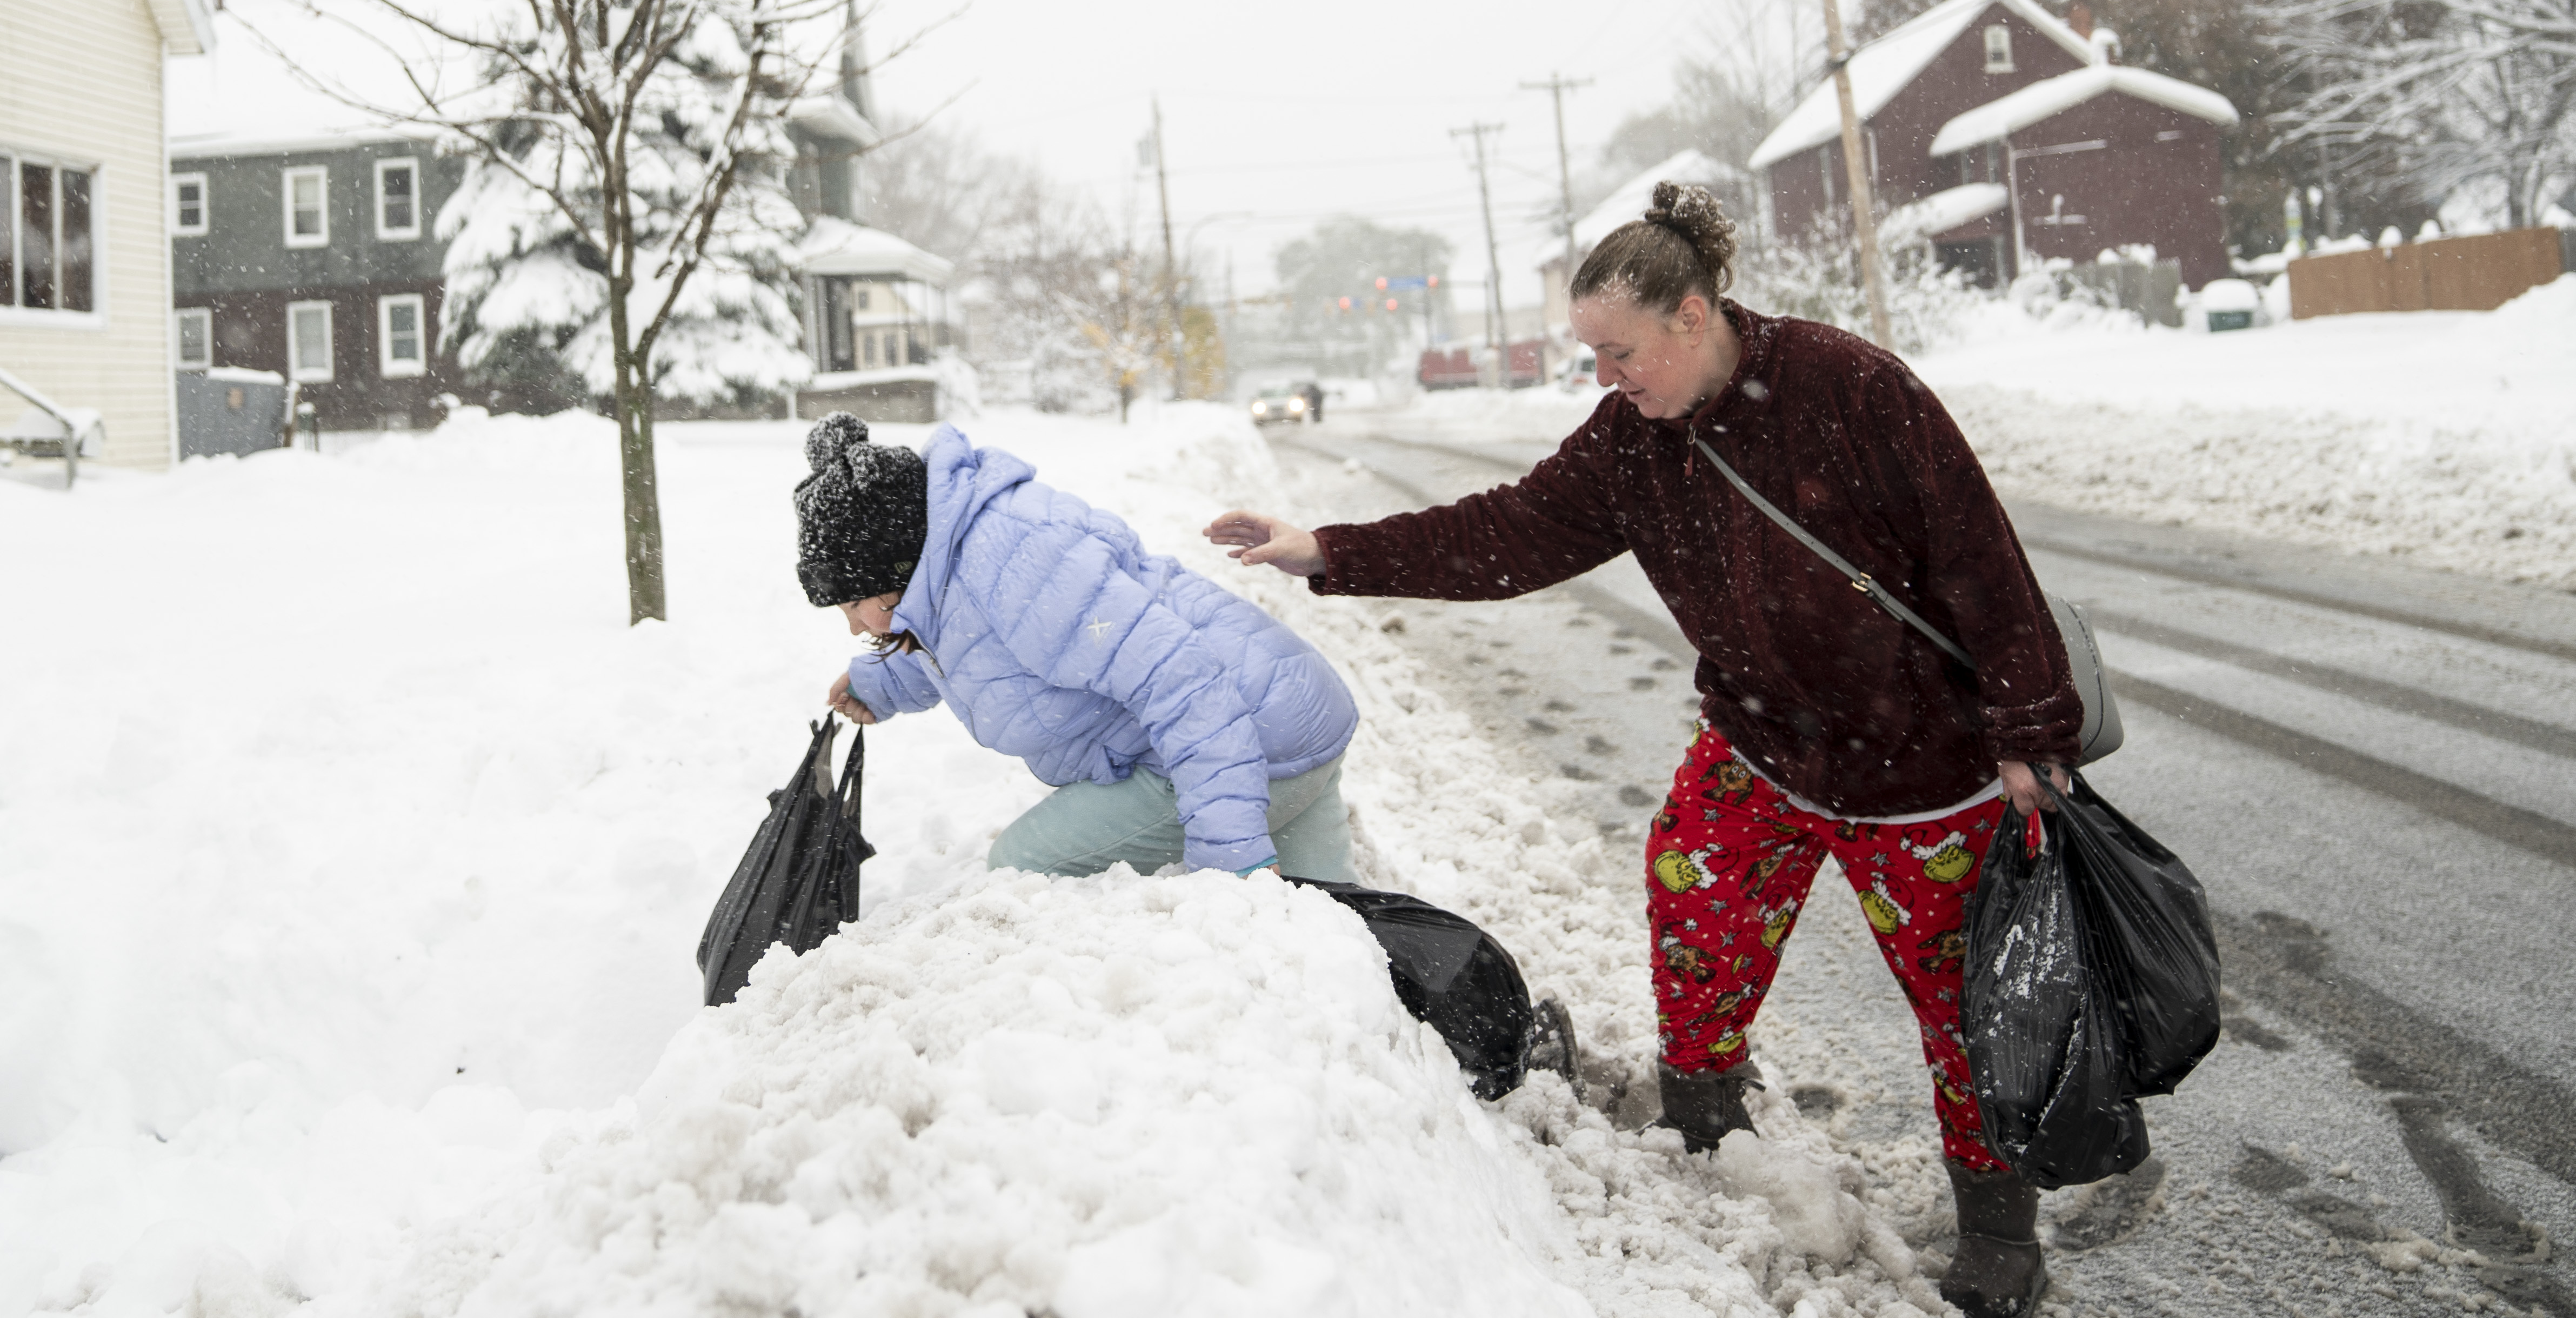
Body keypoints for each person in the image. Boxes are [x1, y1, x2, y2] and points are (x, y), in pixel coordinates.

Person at [1202, 182, 2077, 1318]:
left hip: (1920, 771)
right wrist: (1324, 547)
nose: (1607, 377)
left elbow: (1978, 554)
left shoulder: (1852, 388)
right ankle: (1704, 1115)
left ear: (1693, 315)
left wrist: (2031, 733)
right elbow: (1506, 531)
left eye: (1620, 352)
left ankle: (1998, 1222)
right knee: (1694, 910)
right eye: (1593, 357)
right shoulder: (1632, 445)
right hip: (1761, 747)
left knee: (1962, 1002)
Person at [802, 412, 1360, 880]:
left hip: (1254, 745)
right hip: (1287, 713)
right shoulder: (959, 550)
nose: (855, 627)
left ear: (901, 564)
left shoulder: (1016, 566)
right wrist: (883, 682)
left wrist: (1230, 857)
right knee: (1338, 934)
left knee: (1022, 865)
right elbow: (976, 641)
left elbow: (1182, 683)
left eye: (855, 605)